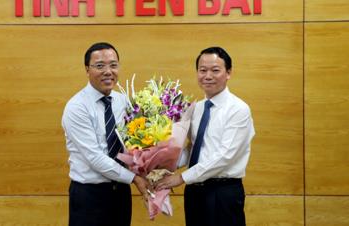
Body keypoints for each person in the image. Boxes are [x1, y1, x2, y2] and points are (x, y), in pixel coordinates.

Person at [156, 46, 255, 226]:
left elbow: (225, 156)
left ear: (228, 73)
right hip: (194, 191)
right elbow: (193, 147)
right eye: (203, 70)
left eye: (215, 70)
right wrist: (161, 163)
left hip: (222, 192)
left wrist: (181, 177)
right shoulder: (197, 108)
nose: (207, 76)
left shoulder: (238, 109)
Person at [62, 42, 150, 226]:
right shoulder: (77, 107)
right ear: (87, 69)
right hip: (89, 195)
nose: (108, 71)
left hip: (120, 193)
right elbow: (95, 158)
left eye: (113, 65)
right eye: (100, 66)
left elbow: (136, 145)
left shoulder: (125, 102)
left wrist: (152, 168)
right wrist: (135, 179)